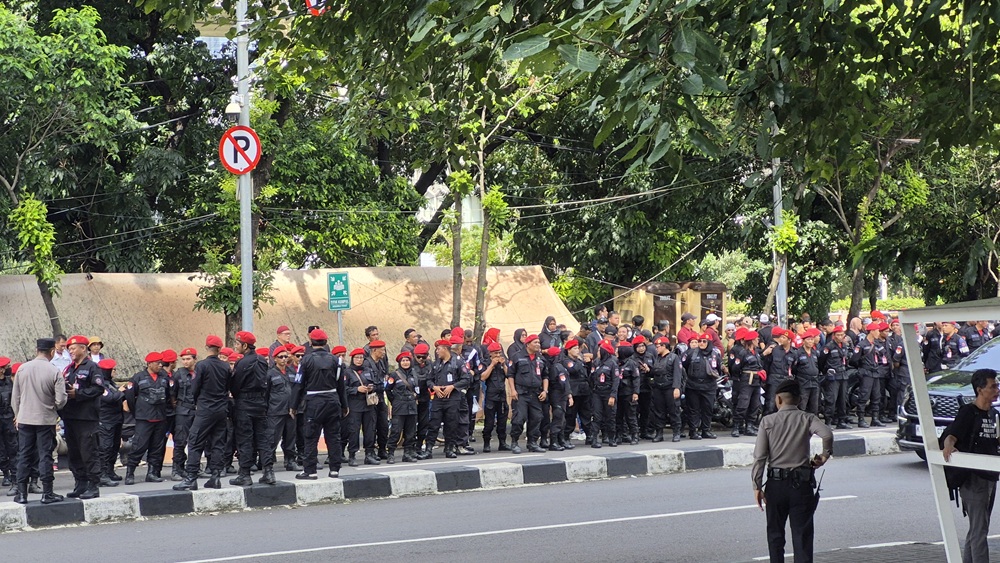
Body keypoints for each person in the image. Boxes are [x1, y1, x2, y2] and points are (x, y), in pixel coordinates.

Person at [752, 379, 833, 563]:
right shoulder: (807, 418)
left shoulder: (767, 421)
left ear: (778, 399)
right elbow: (827, 434)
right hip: (801, 486)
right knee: (802, 536)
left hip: (776, 486)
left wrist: (756, 486)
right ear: (799, 400)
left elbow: (760, 457)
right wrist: (824, 456)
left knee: (775, 535)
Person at [941, 368, 1000, 563]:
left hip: (990, 476)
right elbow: (952, 435)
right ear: (980, 389)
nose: (997, 390)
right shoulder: (968, 412)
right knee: (979, 530)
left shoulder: (994, 414)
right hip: (973, 479)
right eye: (993, 386)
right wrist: (949, 446)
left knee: (977, 529)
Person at [11, 338, 67, 504]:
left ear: (36, 350)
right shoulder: (54, 371)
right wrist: (53, 408)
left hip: (25, 419)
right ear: (51, 352)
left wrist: (18, 415)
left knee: (24, 455)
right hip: (45, 419)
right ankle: (47, 493)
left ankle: (22, 493)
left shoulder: (22, 369)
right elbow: (61, 399)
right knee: (45, 456)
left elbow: (16, 397)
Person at [173, 335, 232, 491]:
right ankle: (216, 476)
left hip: (205, 408)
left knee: (195, 441)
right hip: (221, 409)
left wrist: (197, 400)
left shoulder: (202, 365)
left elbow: (195, 387)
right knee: (218, 443)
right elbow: (228, 386)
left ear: (207, 348)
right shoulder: (225, 366)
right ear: (219, 349)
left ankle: (191, 478)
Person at [293, 328, 347, 480]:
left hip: (313, 402)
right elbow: (341, 386)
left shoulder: (306, 360)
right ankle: (335, 469)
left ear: (311, 342)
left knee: (310, 437)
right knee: (334, 436)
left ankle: (310, 470)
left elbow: (298, 385)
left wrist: (294, 406)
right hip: (332, 401)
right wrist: (344, 405)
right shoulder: (336, 361)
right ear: (326, 342)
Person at [60, 335, 106, 500]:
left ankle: (93, 485)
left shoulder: (92, 367)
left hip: (86, 418)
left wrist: (78, 394)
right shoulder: (69, 369)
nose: (71, 351)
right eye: (69, 349)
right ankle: (80, 484)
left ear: (83, 348)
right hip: (70, 417)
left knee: (89, 452)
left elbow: (98, 388)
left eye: (73, 348)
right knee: (74, 453)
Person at [229, 330, 275, 486]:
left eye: (237, 343)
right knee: (263, 439)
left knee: (245, 439)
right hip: (260, 403)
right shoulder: (262, 360)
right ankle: (268, 472)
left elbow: (235, 385)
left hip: (245, 403)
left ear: (245, 345)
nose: (235, 346)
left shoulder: (242, 362)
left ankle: (245, 474)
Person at [123, 352, 172, 485]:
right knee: (139, 446)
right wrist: (137, 412)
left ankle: (152, 473)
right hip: (144, 418)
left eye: (161, 363)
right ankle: (130, 473)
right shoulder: (138, 377)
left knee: (156, 447)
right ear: (149, 364)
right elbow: (130, 396)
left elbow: (168, 395)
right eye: (157, 363)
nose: (160, 365)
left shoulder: (164, 377)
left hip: (160, 418)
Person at [426, 338, 472, 458]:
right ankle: (428, 449)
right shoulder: (436, 364)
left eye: (439, 349)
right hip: (438, 398)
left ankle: (449, 448)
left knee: (451, 424)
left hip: (453, 398)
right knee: (434, 424)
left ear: (445, 349)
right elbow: (428, 380)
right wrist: (434, 387)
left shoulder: (458, 362)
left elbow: (466, 379)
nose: (437, 351)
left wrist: (452, 387)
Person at [507, 334, 547, 454]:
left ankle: (532, 443)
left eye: (539, 343)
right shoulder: (517, 357)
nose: (538, 345)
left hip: (536, 393)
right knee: (519, 418)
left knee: (536, 418)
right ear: (528, 344)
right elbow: (510, 375)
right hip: (521, 393)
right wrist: (512, 390)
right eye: (535, 342)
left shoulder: (540, 358)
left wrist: (545, 391)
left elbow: (545, 376)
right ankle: (514, 442)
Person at [682, 333, 721, 440]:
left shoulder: (715, 354)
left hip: (709, 386)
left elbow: (718, 369)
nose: (701, 343)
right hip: (693, 386)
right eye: (700, 341)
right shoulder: (690, 353)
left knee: (708, 409)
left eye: (704, 341)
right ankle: (693, 431)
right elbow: (684, 365)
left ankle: (706, 430)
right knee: (693, 409)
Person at [345, 348, 379, 466]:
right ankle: (352, 455)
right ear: (352, 359)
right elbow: (343, 389)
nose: (359, 360)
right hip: (355, 404)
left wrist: (371, 388)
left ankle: (369, 454)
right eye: (357, 358)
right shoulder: (347, 372)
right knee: (353, 431)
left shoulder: (368, 370)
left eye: (361, 358)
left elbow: (376, 384)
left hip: (368, 404)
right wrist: (356, 389)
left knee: (370, 430)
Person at [267, 347, 298, 471]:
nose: (284, 359)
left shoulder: (291, 372)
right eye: (281, 357)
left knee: (290, 438)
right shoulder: (270, 373)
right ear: (275, 359)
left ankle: (290, 461)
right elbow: (266, 394)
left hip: (290, 411)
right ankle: (267, 463)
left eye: (286, 356)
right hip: (276, 411)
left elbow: (296, 389)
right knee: (272, 438)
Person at [386, 352, 420, 463]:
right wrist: (395, 400)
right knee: (396, 431)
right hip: (399, 407)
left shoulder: (414, 374)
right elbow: (388, 389)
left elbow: (417, 389)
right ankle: (390, 453)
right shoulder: (394, 375)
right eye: (403, 361)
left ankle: (408, 453)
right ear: (399, 362)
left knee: (410, 432)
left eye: (407, 360)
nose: (405, 363)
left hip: (412, 406)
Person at [649, 336, 683, 442]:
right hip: (658, 388)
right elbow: (655, 372)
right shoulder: (657, 358)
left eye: (658, 346)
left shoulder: (674, 357)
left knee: (674, 411)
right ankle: (659, 433)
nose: (656, 348)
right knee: (659, 411)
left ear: (664, 346)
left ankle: (676, 432)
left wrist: (676, 388)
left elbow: (678, 373)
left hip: (670, 388)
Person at [170, 348, 198, 481]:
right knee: (180, 440)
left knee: (197, 440)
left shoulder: (199, 373)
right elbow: (172, 394)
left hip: (197, 410)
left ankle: (193, 467)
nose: (185, 362)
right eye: (183, 359)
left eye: (188, 359)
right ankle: (177, 468)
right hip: (182, 411)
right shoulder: (178, 374)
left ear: (194, 359)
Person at [820, 327, 852, 429]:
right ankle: (828, 421)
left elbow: (846, 360)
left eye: (842, 335)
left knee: (843, 399)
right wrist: (826, 371)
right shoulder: (828, 347)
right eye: (837, 335)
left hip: (843, 375)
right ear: (834, 336)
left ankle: (841, 420)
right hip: (833, 376)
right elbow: (821, 361)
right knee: (831, 399)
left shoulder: (844, 346)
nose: (840, 337)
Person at [562, 339, 592, 445]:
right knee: (570, 415)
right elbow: (573, 370)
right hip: (573, 391)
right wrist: (580, 361)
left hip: (584, 391)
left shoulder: (579, 361)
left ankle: (589, 436)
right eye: (574, 348)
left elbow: (587, 374)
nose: (577, 350)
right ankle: (565, 437)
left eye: (577, 348)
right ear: (569, 350)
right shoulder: (566, 361)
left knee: (586, 414)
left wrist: (588, 364)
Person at [480, 341, 509, 453]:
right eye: (495, 353)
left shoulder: (503, 362)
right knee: (489, 422)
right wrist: (492, 365)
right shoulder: (485, 363)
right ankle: (486, 443)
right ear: (490, 353)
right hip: (491, 396)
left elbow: (509, 375)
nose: (498, 355)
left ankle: (502, 442)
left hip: (502, 396)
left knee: (502, 422)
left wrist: (504, 365)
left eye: (499, 353)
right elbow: (482, 377)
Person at [0, 358, 15, 489]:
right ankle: (6, 474)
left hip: (9, 417)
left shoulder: (10, 383)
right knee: (1, 449)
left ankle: (15, 475)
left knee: (13, 447)